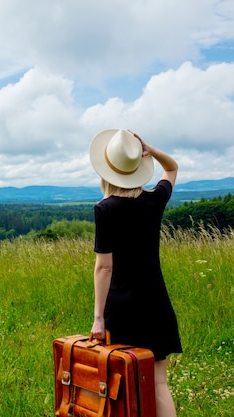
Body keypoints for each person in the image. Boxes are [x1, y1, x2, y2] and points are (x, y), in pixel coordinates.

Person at [88, 129, 181, 417]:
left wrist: (98, 318)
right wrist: (150, 149)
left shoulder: (105, 209)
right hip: (155, 304)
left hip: (122, 309)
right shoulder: (155, 201)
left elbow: (105, 267)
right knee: (158, 382)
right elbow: (172, 167)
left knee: (122, 381)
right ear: (137, 169)